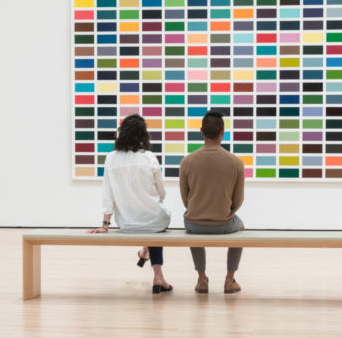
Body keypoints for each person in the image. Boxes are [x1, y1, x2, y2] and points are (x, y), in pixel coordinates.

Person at [87, 114, 173, 294]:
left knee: (146, 223)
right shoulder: (149, 158)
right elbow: (162, 193)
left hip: (127, 223)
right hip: (156, 220)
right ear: (143, 135)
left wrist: (105, 225)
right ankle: (157, 275)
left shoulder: (111, 159)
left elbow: (107, 194)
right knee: (153, 223)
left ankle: (145, 252)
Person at [179, 111, 246, 294]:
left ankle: (201, 279)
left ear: (201, 132)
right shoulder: (236, 162)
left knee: (193, 225)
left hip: (194, 223)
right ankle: (229, 279)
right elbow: (238, 200)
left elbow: (186, 199)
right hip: (224, 223)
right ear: (223, 132)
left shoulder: (187, 161)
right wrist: (225, 212)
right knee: (240, 227)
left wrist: (199, 210)